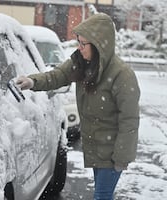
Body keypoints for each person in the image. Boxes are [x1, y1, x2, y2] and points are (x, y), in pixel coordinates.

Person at [16, 13, 140, 200]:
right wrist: (31, 81)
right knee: (102, 194)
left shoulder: (122, 75)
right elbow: (56, 76)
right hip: (96, 147)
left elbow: (129, 119)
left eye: (83, 44)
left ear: (99, 44)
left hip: (112, 150)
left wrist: (121, 157)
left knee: (102, 195)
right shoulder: (82, 64)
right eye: (78, 42)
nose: (79, 48)